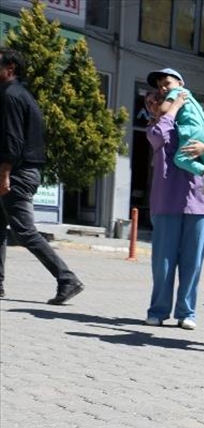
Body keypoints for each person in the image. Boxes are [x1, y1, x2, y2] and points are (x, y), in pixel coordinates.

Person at [143, 87, 204, 329]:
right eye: (148, 103)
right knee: (162, 263)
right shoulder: (156, 127)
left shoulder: (193, 121)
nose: (153, 104)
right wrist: (172, 108)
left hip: (200, 202)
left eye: (157, 99)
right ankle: (158, 311)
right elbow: (161, 134)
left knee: (193, 262)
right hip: (167, 202)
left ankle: (187, 313)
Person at [0, 48, 84, 304]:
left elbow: (11, 141)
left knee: (24, 231)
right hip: (20, 170)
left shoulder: (11, 96)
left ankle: (67, 279)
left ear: (10, 68)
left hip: (16, 171)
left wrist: (4, 174)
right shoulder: (20, 94)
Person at [146, 67, 204, 195]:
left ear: (180, 83)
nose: (163, 89)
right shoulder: (189, 96)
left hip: (192, 131)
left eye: (166, 84)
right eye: (160, 86)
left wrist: (158, 116)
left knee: (181, 159)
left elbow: (163, 111)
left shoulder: (177, 93)